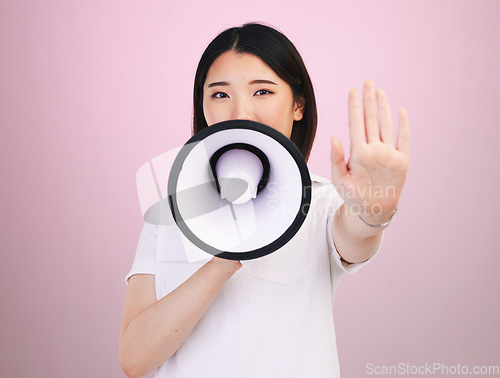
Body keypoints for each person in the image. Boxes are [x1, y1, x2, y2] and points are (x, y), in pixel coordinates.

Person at [119, 22, 410, 378]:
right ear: (203, 107)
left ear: (298, 105)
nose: (241, 113)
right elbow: (134, 358)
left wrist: (371, 212)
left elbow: (355, 236)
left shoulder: (321, 203)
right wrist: (225, 257)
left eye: (262, 92)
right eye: (220, 94)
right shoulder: (167, 213)